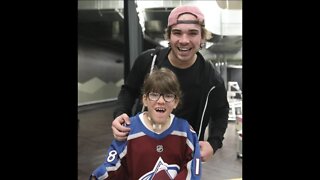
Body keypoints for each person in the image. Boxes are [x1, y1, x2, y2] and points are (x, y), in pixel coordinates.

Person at [112, 5, 229, 162]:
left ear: (202, 38)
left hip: (184, 156)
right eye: (177, 33)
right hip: (141, 150)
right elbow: (129, 91)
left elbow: (221, 111)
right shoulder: (149, 61)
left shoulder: (211, 78)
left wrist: (213, 143)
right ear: (168, 36)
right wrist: (120, 114)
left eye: (193, 33)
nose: (184, 40)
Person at [90, 68, 201, 180]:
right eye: (154, 95)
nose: (161, 101)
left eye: (168, 96)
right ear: (145, 99)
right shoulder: (128, 130)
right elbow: (111, 168)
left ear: (176, 102)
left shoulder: (185, 131)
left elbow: (192, 171)